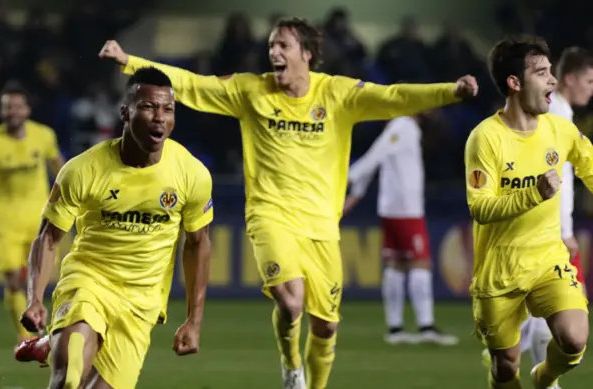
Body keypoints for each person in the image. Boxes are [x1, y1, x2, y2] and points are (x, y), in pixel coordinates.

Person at [99, 17, 477, 389]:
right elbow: (192, 85)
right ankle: (291, 364)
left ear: (307, 54)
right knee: (291, 301)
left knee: (326, 326)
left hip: (322, 228)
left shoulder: (337, 94)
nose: (273, 52)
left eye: (283, 45)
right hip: (270, 217)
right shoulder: (252, 91)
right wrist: (130, 62)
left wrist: (450, 92)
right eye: (271, 46)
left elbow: (395, 95)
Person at [18, 67, 214, 389]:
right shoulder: (83, 169)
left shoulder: (192, 174)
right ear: (125, 112)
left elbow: (197, 245)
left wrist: (194, 320)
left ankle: (49, 344)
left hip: (141, 302)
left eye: (167, 109)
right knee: (70, 374)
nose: (159, 118)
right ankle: (59, 341)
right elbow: (48, 238)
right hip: (89, 278)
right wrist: (35, 298)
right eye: (149, 107)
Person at [465, 35, 590, 389]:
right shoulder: (485, 138)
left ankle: (544, 378)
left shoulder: (560, 129)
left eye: (551, 71)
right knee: (505, 367)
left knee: (575, 338)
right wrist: (534, 193)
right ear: (515, 83)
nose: (552, 79)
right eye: (541, 72)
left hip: (547, 260)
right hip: (499, 269)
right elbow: (481, 207)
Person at [343, 113, 459, 346]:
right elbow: (375, 157)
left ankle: (395, 328)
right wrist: (349, 178)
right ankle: (426, 326)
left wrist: (352, 197)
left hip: (392, 209)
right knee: (420, 264)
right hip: (406, 210)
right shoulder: (403, 125)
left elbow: (377, 160)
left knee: (396, 265)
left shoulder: (396, 129)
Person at [0, 83, 64, 347]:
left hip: (38, 219)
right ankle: (26, 336)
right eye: (8, 106)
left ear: (28, 109)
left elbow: (62, 170)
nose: (13, 111)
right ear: (1, 111)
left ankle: (47, 330)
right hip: (4, 221)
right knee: (14, 279)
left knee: (38, 279)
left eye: (18, 106)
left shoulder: (44, 136)